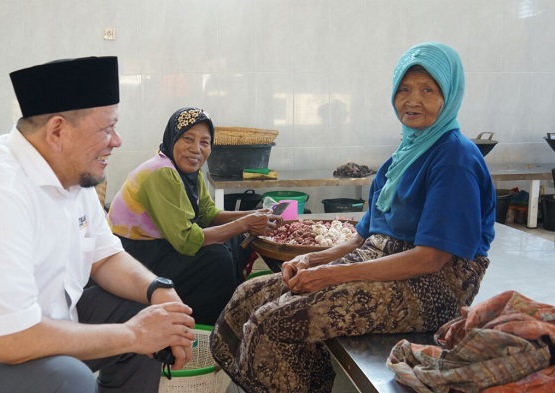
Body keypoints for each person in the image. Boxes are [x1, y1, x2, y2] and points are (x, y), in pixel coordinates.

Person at [0, 57, 195, 393]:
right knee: (65, 379)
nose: (116, 141)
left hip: (38, 334)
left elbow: (104, 258)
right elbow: (10, 341)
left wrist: (159, 291)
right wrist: (134, 334)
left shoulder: (74, 175)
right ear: (57, 130)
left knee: (149, 315)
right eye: (106, 128)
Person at [209, 42, 496, 392]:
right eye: (404, 89)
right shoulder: (405, 154)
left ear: (449, 94)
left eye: (427, 90)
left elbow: (431, 258)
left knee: (277, 321)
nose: (412, 100)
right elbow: (363, 236)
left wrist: (331, 275)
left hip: (433, 285)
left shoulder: (455, 158)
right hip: (380, 260)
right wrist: (313, 259)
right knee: (249, 296)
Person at [107, 107, 279, 325]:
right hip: (134, 256)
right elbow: (187, 240)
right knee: (217, 258)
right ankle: (211, 324)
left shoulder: (189, 171)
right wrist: (245, 223)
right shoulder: (162, 173)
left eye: (204, 142)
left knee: (234, 237)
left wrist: (253, 215)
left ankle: (230, 305)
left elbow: (208, 213)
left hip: (160, 245)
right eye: (188, 139)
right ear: (173, 139)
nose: (196, 149)